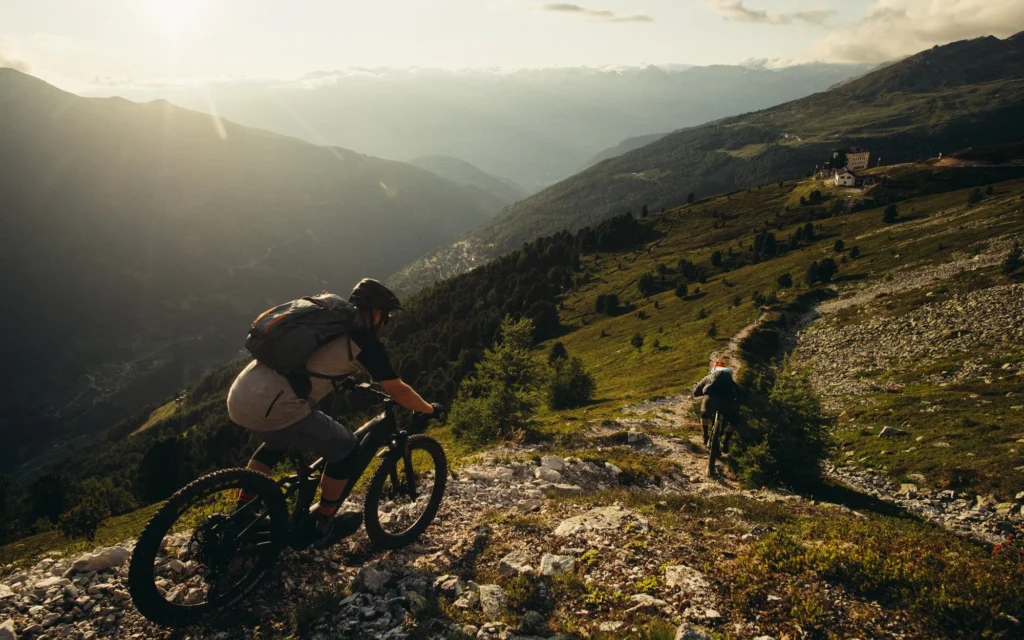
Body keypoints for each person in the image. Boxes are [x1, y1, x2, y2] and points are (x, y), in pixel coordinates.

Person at [226, 278, 442, 547]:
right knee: (347, 450)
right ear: (374, 313)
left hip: (241, 394)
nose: (386, 322)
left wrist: (345, 378)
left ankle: (242, 512)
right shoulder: (365, 344)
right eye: (385, 315)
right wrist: (429, 409)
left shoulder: (329, 323)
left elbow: (318, 360)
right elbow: (398, 390)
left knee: (275, 443)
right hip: (275, 407)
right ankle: (323, 525)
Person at [692, 359, 740, 453]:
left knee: (704, 414)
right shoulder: (729, 380)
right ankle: (726, 441)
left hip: (710, 402)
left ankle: (705, 435)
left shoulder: (707, 378)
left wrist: (704, 394)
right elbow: (739, 392)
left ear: (713, 369)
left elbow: (696, 392)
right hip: (727, 404)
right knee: (734, 420)